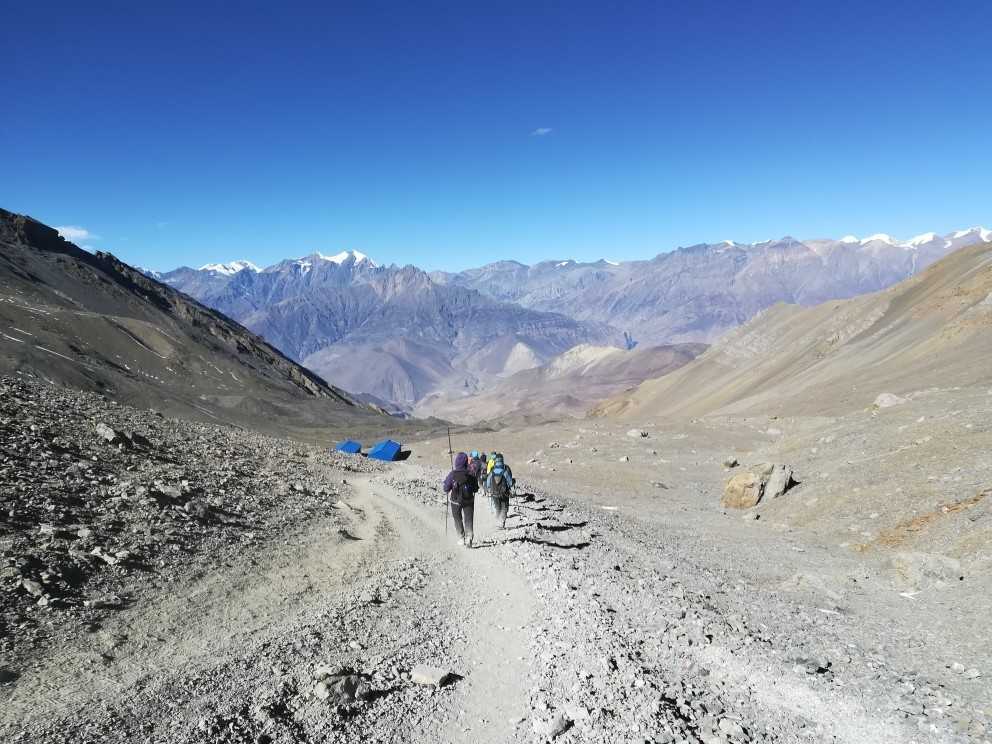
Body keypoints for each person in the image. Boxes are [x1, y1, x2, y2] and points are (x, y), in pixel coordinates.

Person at [444, 452, 478, 547]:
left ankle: (461, 538)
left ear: (456, 462)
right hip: (469, 500)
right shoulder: (470, 474)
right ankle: (469, 538)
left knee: (457, 519)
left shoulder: (452, 474)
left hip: (455, 501)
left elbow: (446, 488)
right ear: (466, 462)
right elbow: (476, 489)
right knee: (469, 519)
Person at [486, 452, 514, 529]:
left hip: (494, 493)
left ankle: (497, 521)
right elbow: (510, 483)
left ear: (495, 460)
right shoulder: (505, 470)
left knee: (497, 507)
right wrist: (513, 482)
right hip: (504, 493)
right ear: (502, 460)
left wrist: (488, 489)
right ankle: (502, 522)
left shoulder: (492, 470)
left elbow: (488, 483)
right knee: (504, 507)